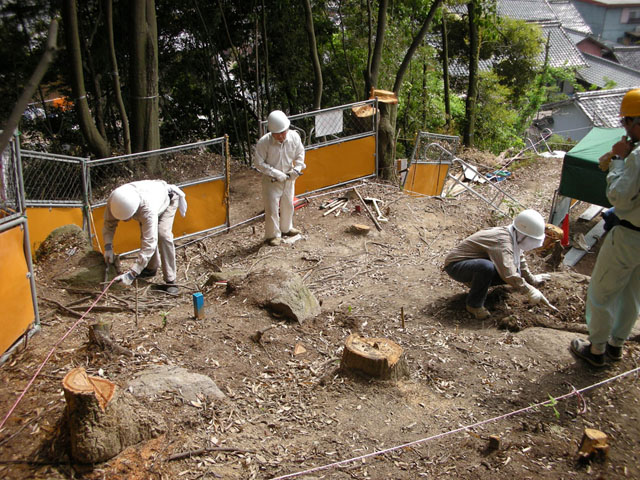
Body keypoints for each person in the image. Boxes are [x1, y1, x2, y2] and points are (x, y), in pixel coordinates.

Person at [571, 88, 640, 368]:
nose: (623, 127)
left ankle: (596, 349)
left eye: (626, 122)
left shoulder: (635, 157)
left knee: (602, 292)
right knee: (633, 294)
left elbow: (618, 197)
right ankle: (616, 345)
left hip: (628, 234)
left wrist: (619, 161)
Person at [443, 209, 553, 319]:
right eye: (531, 239)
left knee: (517, 271)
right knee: (486, 267)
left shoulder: (514, 237)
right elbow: (508, 273)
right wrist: (529, 290)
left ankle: (478, 283)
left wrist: (532, 279)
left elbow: (520, 261)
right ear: (523, 234)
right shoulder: (502, 241)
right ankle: (474, 305)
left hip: (472, 264)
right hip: (455, 266)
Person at [103, 180, 187, 294]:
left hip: (168, 200)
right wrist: (108, 247)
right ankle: (150, 268)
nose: (125, 221)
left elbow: (150, 243)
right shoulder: (115, 199)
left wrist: (132, 273)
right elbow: (109, 224)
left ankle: (170, 280)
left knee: (163, 235)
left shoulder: (147, 209)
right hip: (151, 198)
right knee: (146, 234)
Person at [254, 110, 306, 246]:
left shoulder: (294, 137)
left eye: (283, 133)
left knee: (288, 204)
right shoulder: (264, 143)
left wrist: (298, 168)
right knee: (271, 208)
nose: (281, 136)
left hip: (289, 178)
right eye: (278, 134)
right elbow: (258, 163)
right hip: (271, 181)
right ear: (272, 132)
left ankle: (286, 228)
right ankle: (272, 235)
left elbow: (300, 152)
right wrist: (276, 173)